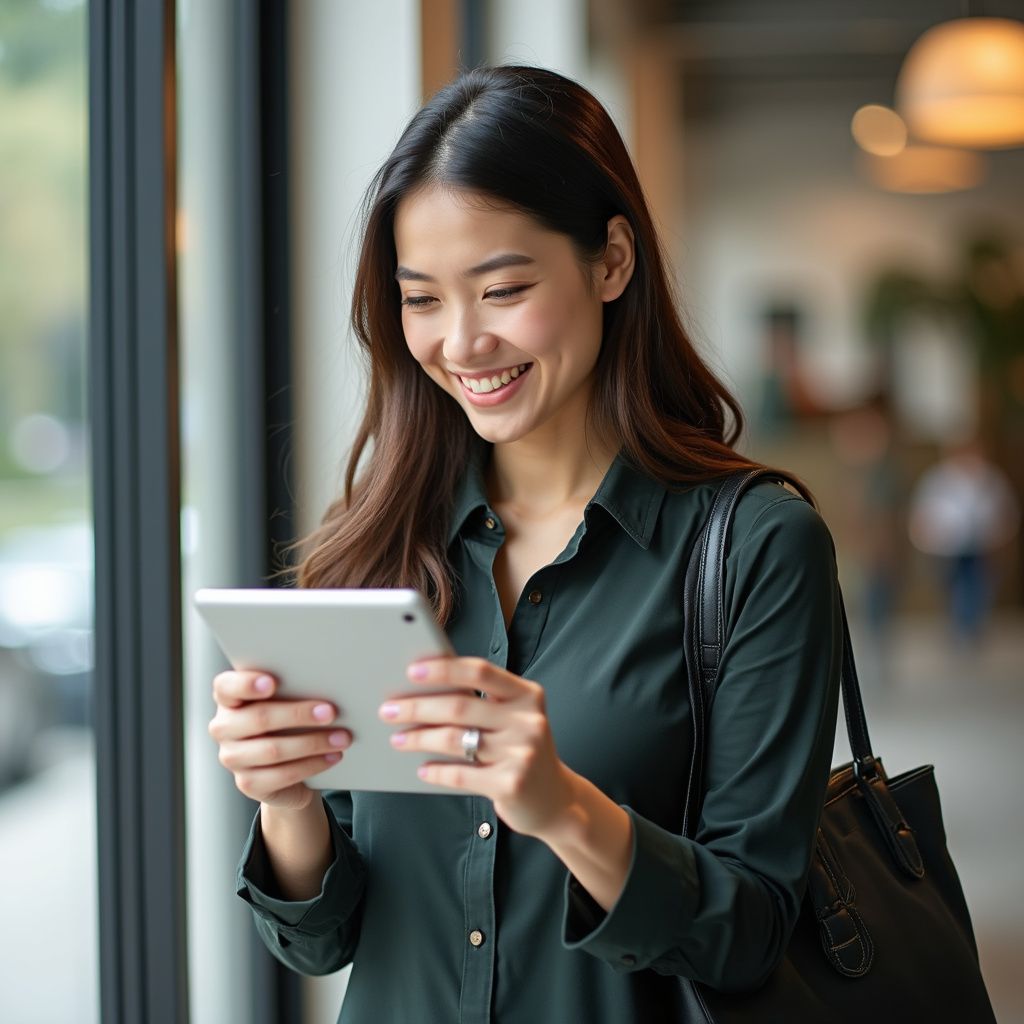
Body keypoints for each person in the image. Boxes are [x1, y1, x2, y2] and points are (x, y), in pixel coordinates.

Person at [207, 65, 842, 1023]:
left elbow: (751, 935)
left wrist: (564, 807)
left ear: (612, 261)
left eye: (502, 289)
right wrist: (286, 800)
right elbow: (322, 940)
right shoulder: (376, 546)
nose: (462, 343)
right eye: (422, 300)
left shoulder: (756, 548)